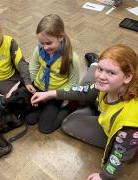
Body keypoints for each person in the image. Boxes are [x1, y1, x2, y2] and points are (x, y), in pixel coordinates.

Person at [31, 44, 138, 179]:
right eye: (100, 69)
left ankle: (88, 99)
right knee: (86, 88)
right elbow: (83, 90)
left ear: (128, 77)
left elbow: (121, 154)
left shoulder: (130, 121)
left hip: (125, 141)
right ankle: (93, 66)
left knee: (69, 123)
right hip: (104, 110)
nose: (102, 76)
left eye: (111, 72)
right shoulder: (109, 85)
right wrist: (51, 94)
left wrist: (104, 176)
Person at [25, 14, 81, 134]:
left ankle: (69, 108)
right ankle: (44, 108)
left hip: (56, 93)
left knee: (45, 128)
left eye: (48, 43)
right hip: (38, 89)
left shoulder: (72, 58)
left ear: (60, 37)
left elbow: (73, 84)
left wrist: (51, 95)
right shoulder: (38, 50)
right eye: (41, 43)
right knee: (29, 119)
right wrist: (31, 85)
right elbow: (33, 69)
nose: (44, 47)